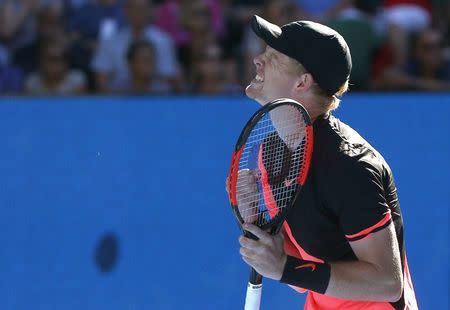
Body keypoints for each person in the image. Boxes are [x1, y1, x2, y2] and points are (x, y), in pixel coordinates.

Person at [234, 15, 418, 309]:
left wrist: (283, 268)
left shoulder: (349, 165)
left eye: (274, 58)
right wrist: (257, 224)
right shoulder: (270, 154)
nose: (258, 60)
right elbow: (299, 279)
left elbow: (386, 283)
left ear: (302, 82)